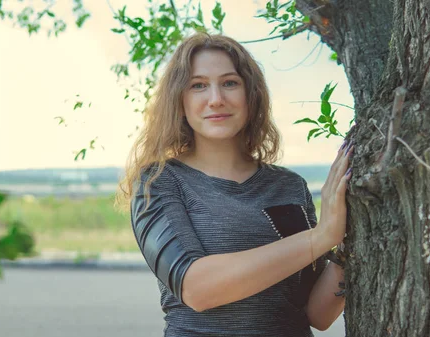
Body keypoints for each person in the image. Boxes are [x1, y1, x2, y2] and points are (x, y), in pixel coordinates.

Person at [116, 33, 354, 337]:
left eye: (230, 83)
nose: (216, 98)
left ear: (251, 95)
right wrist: (319, 237)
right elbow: (197, 289)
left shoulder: (289, 185)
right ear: (180, 100)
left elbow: (317, 314)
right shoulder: (159, 181)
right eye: (198, 85)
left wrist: (344, 246)